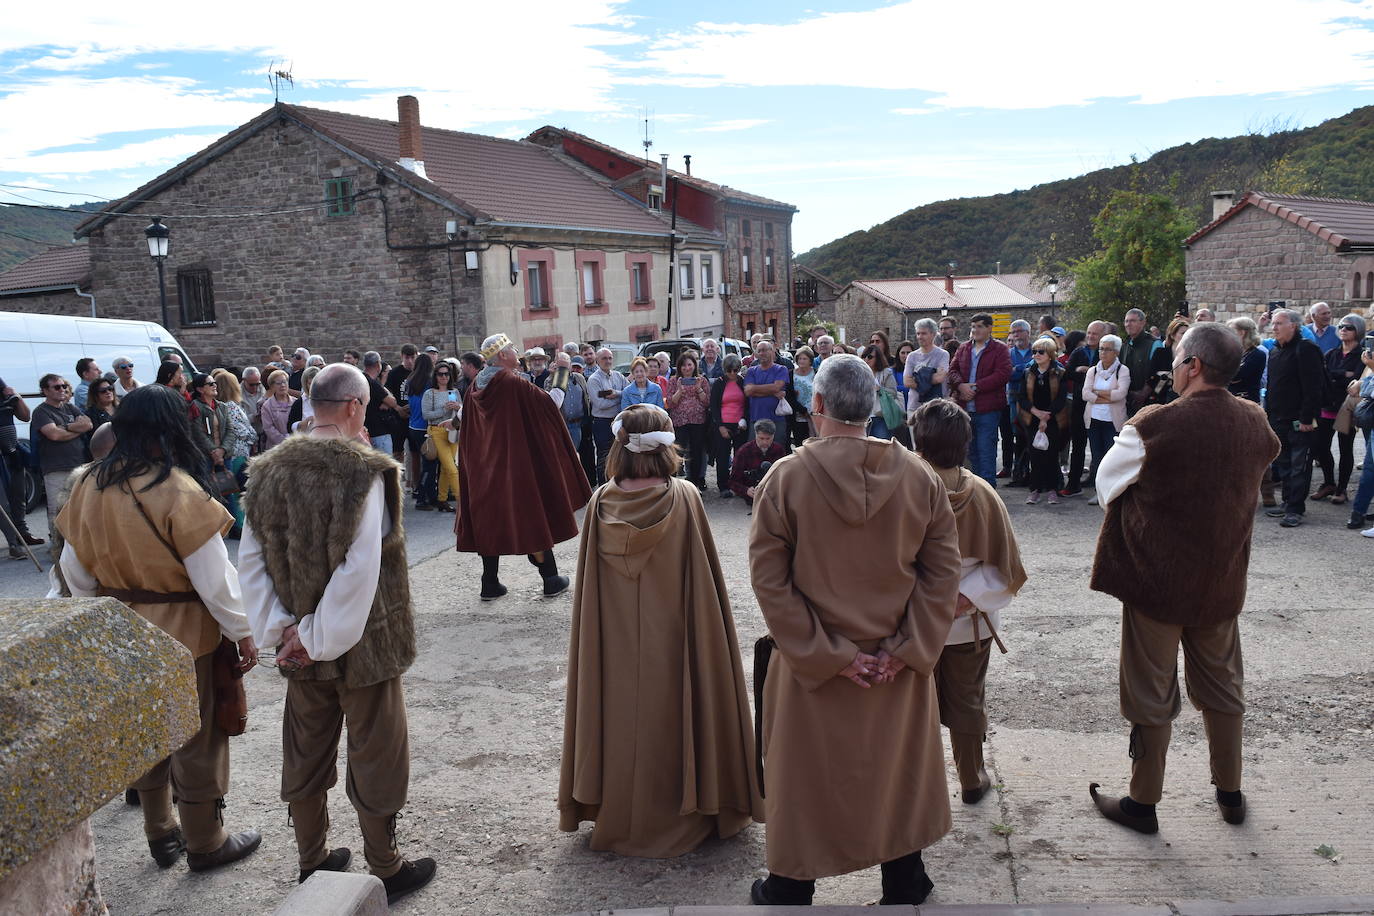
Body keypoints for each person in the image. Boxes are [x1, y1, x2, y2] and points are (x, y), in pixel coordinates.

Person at [748, 353, 962, 906]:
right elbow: (942, 575)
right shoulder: (920, 477)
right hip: (895, 667)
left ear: (815, 404)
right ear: (872, 406)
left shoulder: (785, 479)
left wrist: (829, 654)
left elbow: (771, 583)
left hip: (814, 668)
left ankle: (792, 884)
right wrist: (907, 648)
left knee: (806, 777)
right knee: (897, 772)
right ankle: (905, 879)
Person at [239, 364, 436, 902]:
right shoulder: (364, 471)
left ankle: (313, 861)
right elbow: (359, 567)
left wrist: (283, 633)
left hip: (299, 646)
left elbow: (250, 562)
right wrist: (316, 635)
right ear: (353, 406)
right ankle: (386, 866)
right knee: (375, 750)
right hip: (365, 642)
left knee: (305, 748)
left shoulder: (267, 471)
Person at [56, 384, 261, 871]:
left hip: (121, 635)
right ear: (171, 428)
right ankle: (207, 841)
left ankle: (160, 831)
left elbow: (75, 573)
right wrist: (242, 631)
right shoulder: (177, 489)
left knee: (145, 733)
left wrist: (108, 621)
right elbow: (215, 580)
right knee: (197, 737)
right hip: (186, 634)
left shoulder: (87, 483)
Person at [1088, 324, 1280, 834]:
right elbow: (1263, 462)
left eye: (1175, 358)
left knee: (1151, 692)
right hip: (1221, 582)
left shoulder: (1154, 424)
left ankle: (1142, 803)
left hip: (1157, 582)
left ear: (1193, 364)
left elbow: (1107, 487)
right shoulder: (1254, 421)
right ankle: (1231, 794)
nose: (1171, 367)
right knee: (1223, 687)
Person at [558, 404, 761, 855]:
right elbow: (704, 590)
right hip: (676, 640)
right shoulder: (684, 497)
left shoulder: (600, 503)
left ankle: (620, 810)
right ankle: (691, 804)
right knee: (680, 706)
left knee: (619, 712)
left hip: (614, 646)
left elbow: (592, 595)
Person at [910, 399, 1026, 805]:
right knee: (967, 702)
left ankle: (915, 788)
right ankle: (972, 780)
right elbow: (1004, 567)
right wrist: (962, 599)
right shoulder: (982, 494)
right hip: (966, 623)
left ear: (918, 442)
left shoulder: (901, 489)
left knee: (910, 708)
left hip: (911, 624)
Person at [456, 334, 593, 600]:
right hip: (513, 466)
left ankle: (490, 583)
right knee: (531, 517)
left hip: (483, 468)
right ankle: (551, 578)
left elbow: (464, 420)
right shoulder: (511, 383)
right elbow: (552, 403)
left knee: (489, 520)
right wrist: (563, 370)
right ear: (503, 356)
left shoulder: (475, 386)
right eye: (512, 349)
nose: (517, 352)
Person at [1264, 308, 1325, 528]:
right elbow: (1272, 386)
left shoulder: (1306, 349)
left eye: (1279, 323)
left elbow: (1314, 388)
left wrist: (1307, 419)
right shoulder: (1275, 351)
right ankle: (1288, 501)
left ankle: (1295, 509)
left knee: (1300, 465)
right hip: (1278, 419)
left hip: (1301, 421)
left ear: (1294, 325)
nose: (1274, 327)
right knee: (1285, 463)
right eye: (1273, 323)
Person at [947, 314, 1013, 488]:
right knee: (970, 452)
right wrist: (961, 386)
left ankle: (988, 492)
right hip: (965, 410)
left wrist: (975, 387)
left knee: (986, 451)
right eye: (973, 326)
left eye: (980, 326)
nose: (975, 330)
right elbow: (952, 370)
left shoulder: (1000, 349)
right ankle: (975, 490)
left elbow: (1003, 374)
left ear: (989, 328)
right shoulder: (963, 348)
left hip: (988, 410)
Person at [33, 373, 92, 559]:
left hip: (78, 465)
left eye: (63, 386)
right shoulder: (41, 412)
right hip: (55, 467)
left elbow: (88, 424)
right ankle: (58, 548)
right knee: (57, 509)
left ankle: (80, 545)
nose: (62, 390)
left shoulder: (70, 407)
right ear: (45, 391)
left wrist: (64, 427)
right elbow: (54, 435)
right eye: (56, 387)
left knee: (81, 506)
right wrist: (73, 427)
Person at [1311, 314, 1366, 505]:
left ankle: (1342, 489)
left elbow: (1359, 379)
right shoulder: (1331, 354)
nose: (1343, 329)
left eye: (1349, 327)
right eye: (1341, 326)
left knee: (1345, 449)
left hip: (1347, 408)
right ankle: (1328, 483)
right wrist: (1343, 374)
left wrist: (1337, 377)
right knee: (1321, 447)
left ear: (1358, 331)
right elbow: (1322, 375)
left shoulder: (1363, 355)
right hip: (1327, 405)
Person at [1018, 337, 1069, 505]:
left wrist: (1046, 416)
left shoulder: (1059, 372)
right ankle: (1035, 490)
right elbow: (1022, 397)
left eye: (1041, 352)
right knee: (1035, 456)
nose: (1036, 355)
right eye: (1034, 352)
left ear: (1050, 354)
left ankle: (1052, 490)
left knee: (1051, 456)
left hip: (1053, 420)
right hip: (1032, 419)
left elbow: (1061, 399)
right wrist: (1037, 413)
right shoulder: (1028, 371)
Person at [1081, 334, 1130, 507]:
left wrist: (1097, 394)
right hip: (1094, 420)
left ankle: (1114, 493)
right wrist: (1107, 396)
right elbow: (1085, 394)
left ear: (1116, 352)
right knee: (1097, 457)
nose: (1103, 352)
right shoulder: (1092, 371)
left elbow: (1121, 394)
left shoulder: (1122, 370)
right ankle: (1098, 492)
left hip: (1112, 421)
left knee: (1112, 458)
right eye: (1101, 348)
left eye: (1107, 349)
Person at [0, 377, 43, 559]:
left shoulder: (6, 395)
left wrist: (16, 396)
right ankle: (13, 543)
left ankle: (23, 533)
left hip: (12, 453)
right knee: (3, 503)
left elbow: (25, 416)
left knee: (19, 496)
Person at [665, 352, 710, 489]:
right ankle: (672, 482)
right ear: (679, 367)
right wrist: (679, 390)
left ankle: (695, 482)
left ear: (694, 365)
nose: (686, 368)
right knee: (678, 451)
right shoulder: (673, 381)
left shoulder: (702, 380)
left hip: (698, 421)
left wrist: (699, 390)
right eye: (683, 365)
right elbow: (670, 403)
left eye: (689, 365)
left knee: (696, 451)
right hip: (679, 421)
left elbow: (707, 402)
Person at [587, 348, 629, 485]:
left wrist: (616, 393)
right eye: (604, 358)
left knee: (621, 455)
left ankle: (620, 486)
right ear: (597, 360)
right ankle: (604, 488)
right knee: (604, 458)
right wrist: (620, 398)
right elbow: (600, 404)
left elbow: (628, 393)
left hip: (619, 421)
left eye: (610, 358)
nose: (608, 361)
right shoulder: (594, 380)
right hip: (602, 423)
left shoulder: (619, 376)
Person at [710, 354, 748, 498]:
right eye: (729, 370)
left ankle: (738, 484)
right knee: (723, 456)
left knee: (740, 456)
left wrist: (744, 419)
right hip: (723, 424)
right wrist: (720, 426)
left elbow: (747, 404)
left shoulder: (742, 382)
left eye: (735, 370)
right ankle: (723, 486)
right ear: (725, 369)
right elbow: (714, 407)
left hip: (740, 425)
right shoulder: (719, 383)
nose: (732, 373)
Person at [403, 354, 438, 511]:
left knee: (427, 462)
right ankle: (423, 498)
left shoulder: (410, 380)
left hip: (413, 426)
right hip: (425, 426)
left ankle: (425, 494)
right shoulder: (429, 381)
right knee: (430, 464)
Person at [1001, 320, 1034, 484]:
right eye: (1013, 332)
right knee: (1017, 433)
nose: (1016, 335)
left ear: (1028, 332)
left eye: (1019, 331)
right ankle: (1019, 471)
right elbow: (1008, 375)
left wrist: (1018, 369)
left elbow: (1036, 371)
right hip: (1014, 398)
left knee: (1033, 434)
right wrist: (1026, 368)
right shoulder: (1007, 354)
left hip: (1035, 399)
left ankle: (1032, 472)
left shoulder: (1037, 350)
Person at [743, 340, 791, 444]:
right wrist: (772, 392)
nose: (762, 353)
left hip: (776, 419)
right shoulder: (751, 370)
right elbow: (748, 392)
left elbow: (776, 387)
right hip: (756, 418)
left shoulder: (781, 369)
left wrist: (755, 389)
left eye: (764, 350)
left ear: (772, 351)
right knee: (755, 452)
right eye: (759, 351)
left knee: (777, 452)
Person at [728, 419, 785, 503]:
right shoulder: (743, 451)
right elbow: (733, 481)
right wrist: (746, 490)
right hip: (753, 493)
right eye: (761, 438)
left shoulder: (779, 450)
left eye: (768, 438)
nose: (765, 442)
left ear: (773, 436)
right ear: (755, 435)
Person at [543, 351, 591, 452]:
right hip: (562, 425)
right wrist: (553, 376)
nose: (563, 366)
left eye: (565, 363)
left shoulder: (579, 378)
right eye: (560, 363)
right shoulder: (551, 379)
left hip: (577, 425)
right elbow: (549, 401)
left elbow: (586, 397)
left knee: (576, 454)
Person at [905, 318, 951, 408]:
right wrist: (931, 375)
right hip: (914, 407)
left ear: (933, 334)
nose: (920, 337)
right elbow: (907, 382)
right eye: (918, 333)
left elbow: (939, 378)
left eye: (923, 333)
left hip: (936, 406)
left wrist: (917, 377)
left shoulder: (943, 355)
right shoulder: (911, 356)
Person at [361, 351, 401, 456]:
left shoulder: (361, 379)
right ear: (378, 365)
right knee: (386, 467)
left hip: (365, 430)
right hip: (379, 431)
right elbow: (392, 402)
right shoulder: (373, 383)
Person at [1145, 316, 1190, 406]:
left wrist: (1170, 376)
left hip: (1184, 400)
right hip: (1161, 398)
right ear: (1173, 335)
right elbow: (1150, 376)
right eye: (1182, 333)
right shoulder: (1160, 353)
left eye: (1188, 334)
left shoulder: (1191, 355)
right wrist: (1164, 376)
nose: (1186, 336)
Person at [1121, 308, 1158, 417]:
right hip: (1126, 402)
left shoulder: (1154, 344)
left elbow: (1158, 373)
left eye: (1132, 321)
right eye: (1126, 321)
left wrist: (1143, 394)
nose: (1128, 324)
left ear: (1143, 323)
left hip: (1147, 404)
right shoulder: (1125, 345)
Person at [860, 344, 899, 440]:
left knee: (881, 446)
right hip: (863, 417)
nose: (866, 359)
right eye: (864, 356)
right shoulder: (860, 373)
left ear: (878, 358)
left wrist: (880, 389)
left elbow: (893, 392)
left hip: (881, 416)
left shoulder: (886, 373)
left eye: (870, 357)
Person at [1227, 317, 1267, 404]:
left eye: (1231, 331)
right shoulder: (1235, 353)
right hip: (1231, 401)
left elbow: (1236, 376)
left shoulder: (1257, 354)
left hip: (1247, 403)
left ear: (1242, 333)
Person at [260, 369, 296, 450]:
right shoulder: (267, 406)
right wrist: (285, 441)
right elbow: (268, 428)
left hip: (296, 446)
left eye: (284, 382)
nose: (282, 385)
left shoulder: (296, 402)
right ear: (272, 386)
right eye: (278, 383)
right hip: (276, 449)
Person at [788, 346, 816, 447]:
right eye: (799, 358)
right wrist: (802, 410)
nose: (801, 361)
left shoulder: (816, 373)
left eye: (804, 358)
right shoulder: (791, 374)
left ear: (810, 360)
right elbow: (789, 396)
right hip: (798, 414)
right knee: (799, 444)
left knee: (814, 442)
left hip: (814, 414)